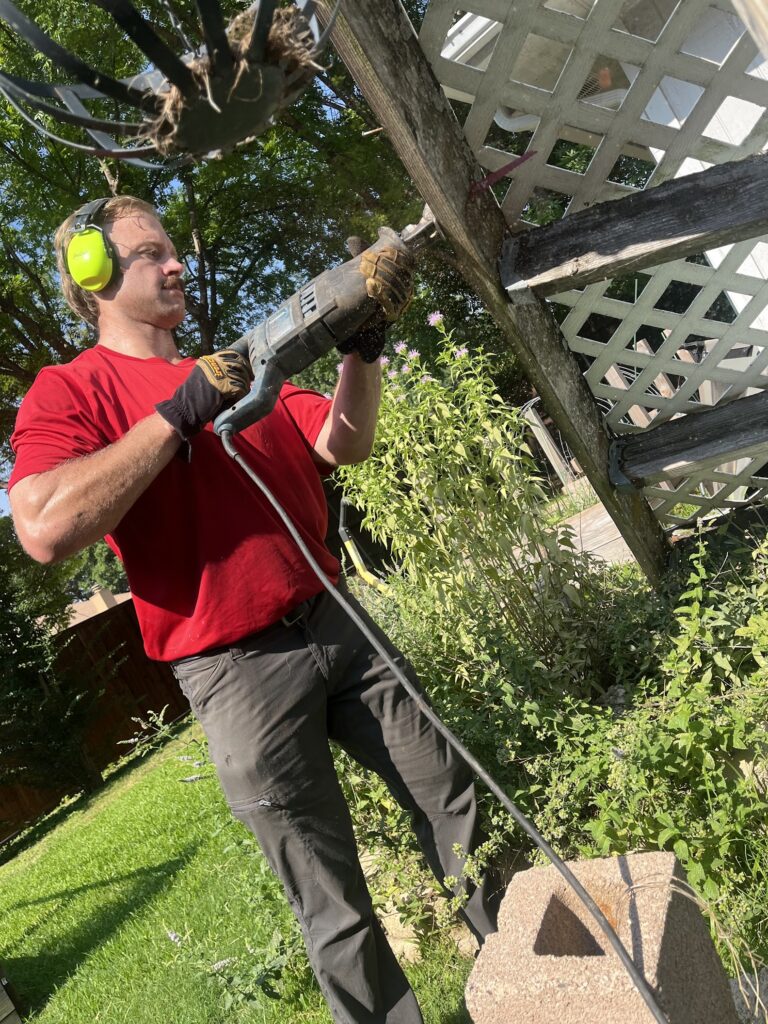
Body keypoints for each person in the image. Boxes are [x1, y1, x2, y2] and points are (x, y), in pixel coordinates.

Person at [9, 195, 498, 1024]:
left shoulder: (235, 367)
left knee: (458, 808)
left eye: (173, 249)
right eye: (150, 254)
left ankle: (550, 981)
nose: (176, 265)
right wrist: (175, 416)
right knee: (331, 902)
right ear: (91, 278)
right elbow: (46, 527)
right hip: (235, 673)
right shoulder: (71, 391)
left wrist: (363, 351)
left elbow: (340, 442)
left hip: (341, 624)